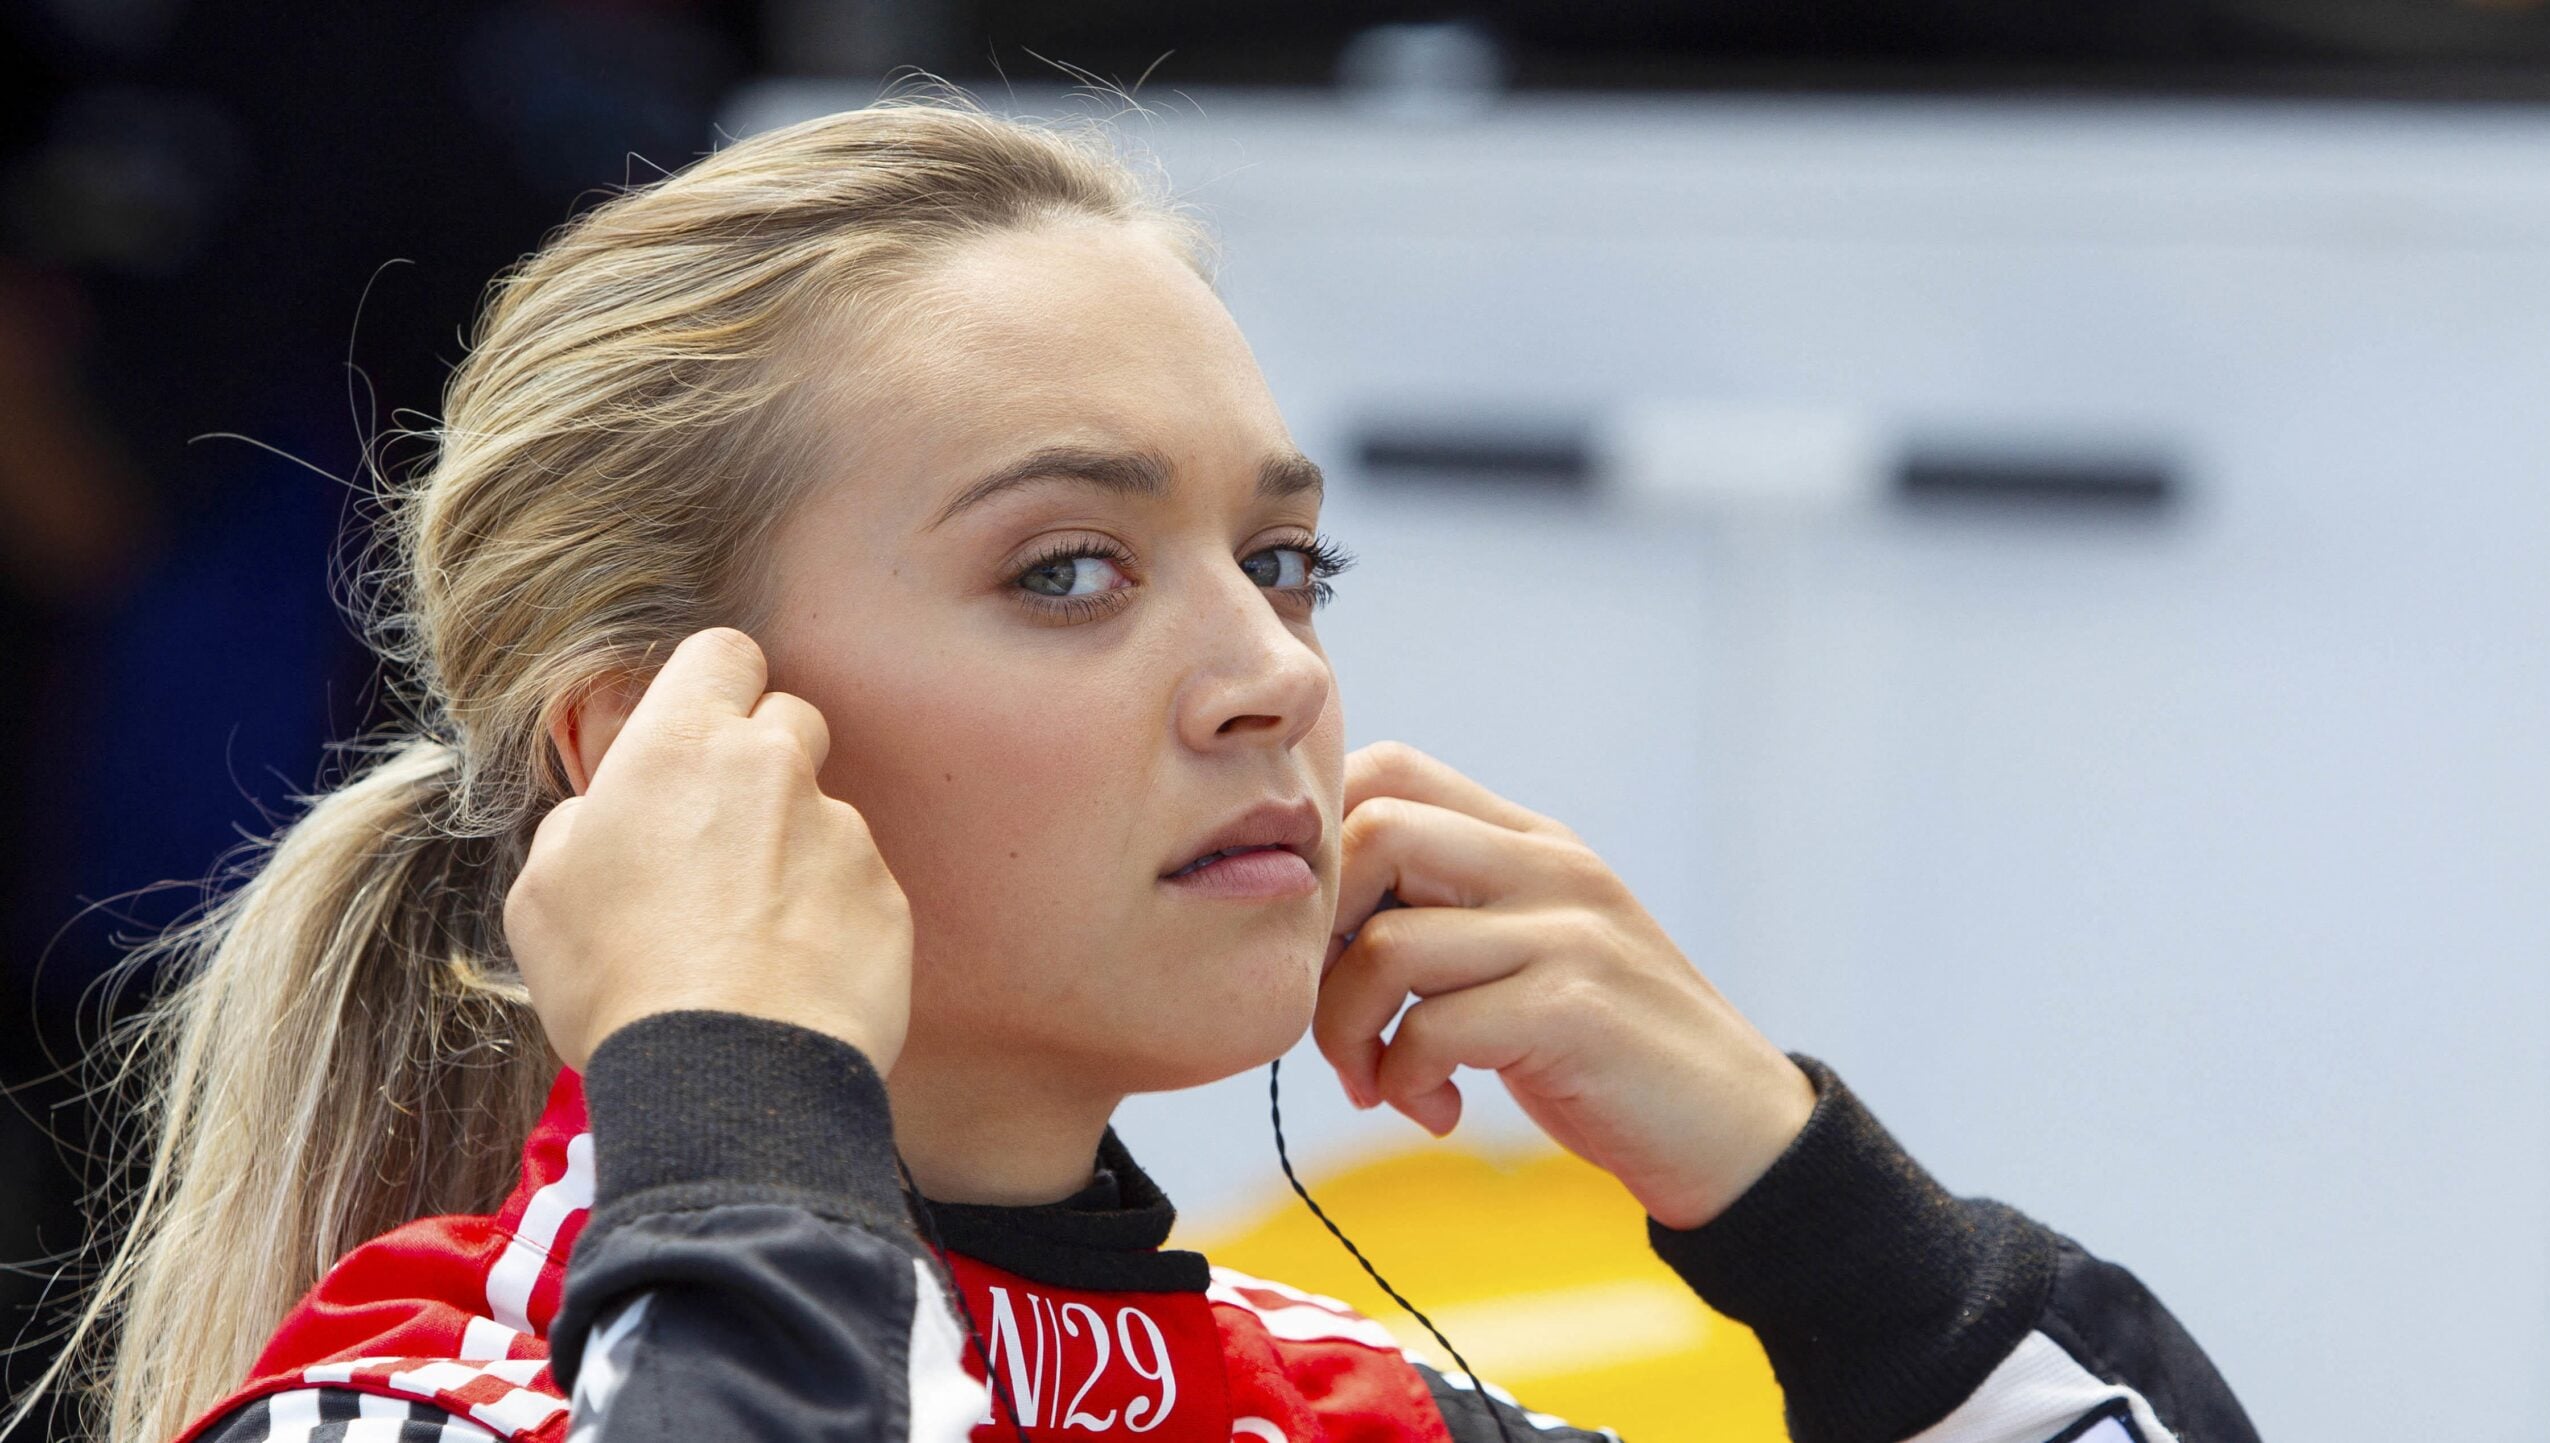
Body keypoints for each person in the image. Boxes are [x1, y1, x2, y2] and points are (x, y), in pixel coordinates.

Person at [21, 97, 2259, 1443]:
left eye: (1284, 556)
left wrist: (1828, 1218)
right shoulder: (398, 1404)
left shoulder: (1373, 1408)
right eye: (1071, 566)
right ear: (652, 750)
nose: (1265, 676)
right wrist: (730, 1099)